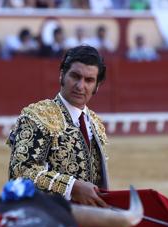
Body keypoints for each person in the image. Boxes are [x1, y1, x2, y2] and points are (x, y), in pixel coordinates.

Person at [8, 45, 109, 208]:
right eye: (75, 76)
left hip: (90, 220)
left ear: (97, 86)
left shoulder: (95, 123)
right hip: (47, 219)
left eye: (89, 80)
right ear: (62, 75)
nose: (80, 86)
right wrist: (72, 187)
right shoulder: (37, 116)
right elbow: (20, 173)